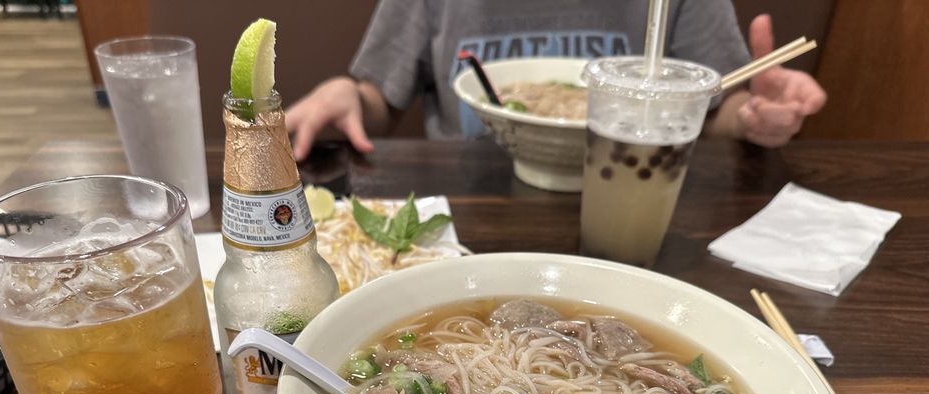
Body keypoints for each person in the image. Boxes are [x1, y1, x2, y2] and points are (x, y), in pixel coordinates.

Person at [286, 1, 826, 161]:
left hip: (630, 189)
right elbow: (380, 99)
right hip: (475, 214)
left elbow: (712, 111)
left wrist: (752, 116)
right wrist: (348, 94)